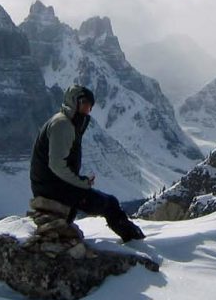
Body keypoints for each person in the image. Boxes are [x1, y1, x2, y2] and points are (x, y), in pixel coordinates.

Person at [30, 84, 146, 242]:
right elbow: (57, 165)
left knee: (89, 205)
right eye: (84, 104)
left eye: (90, 106)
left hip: (51, 185)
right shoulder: (63, 124)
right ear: (74, 102)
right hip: (53, 188)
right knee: (109, 203)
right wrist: (81, 183)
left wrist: (79, 181)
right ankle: (134, 240)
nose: (88, 109)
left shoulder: (65, 122)